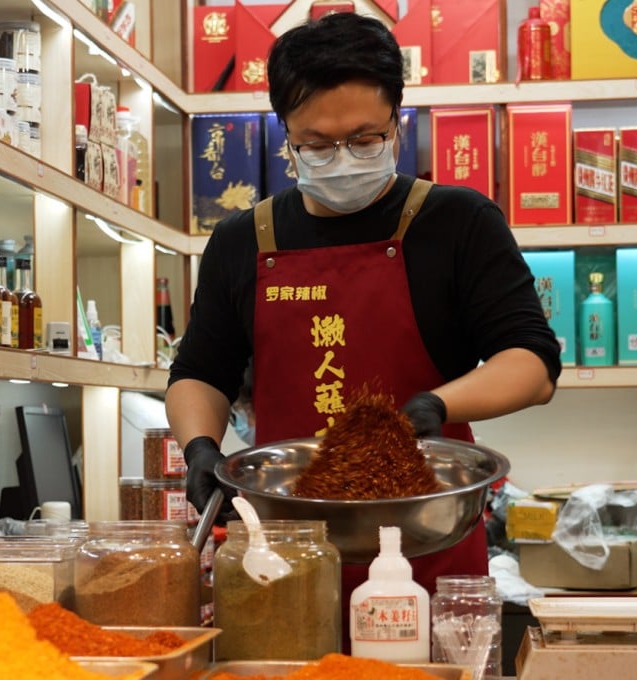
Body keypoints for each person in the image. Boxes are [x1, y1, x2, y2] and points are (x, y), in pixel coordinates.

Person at [166, 10, 561, 638]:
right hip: (282, 558)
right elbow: (198, 373)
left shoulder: (458, 222)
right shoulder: (244, 239)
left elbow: (531, 363)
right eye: (317, 145)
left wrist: (433, 406)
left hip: (427, 551)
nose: (342, 157)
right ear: (285, 136)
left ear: (397, 122)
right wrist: (199, 447)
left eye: (365, 138)